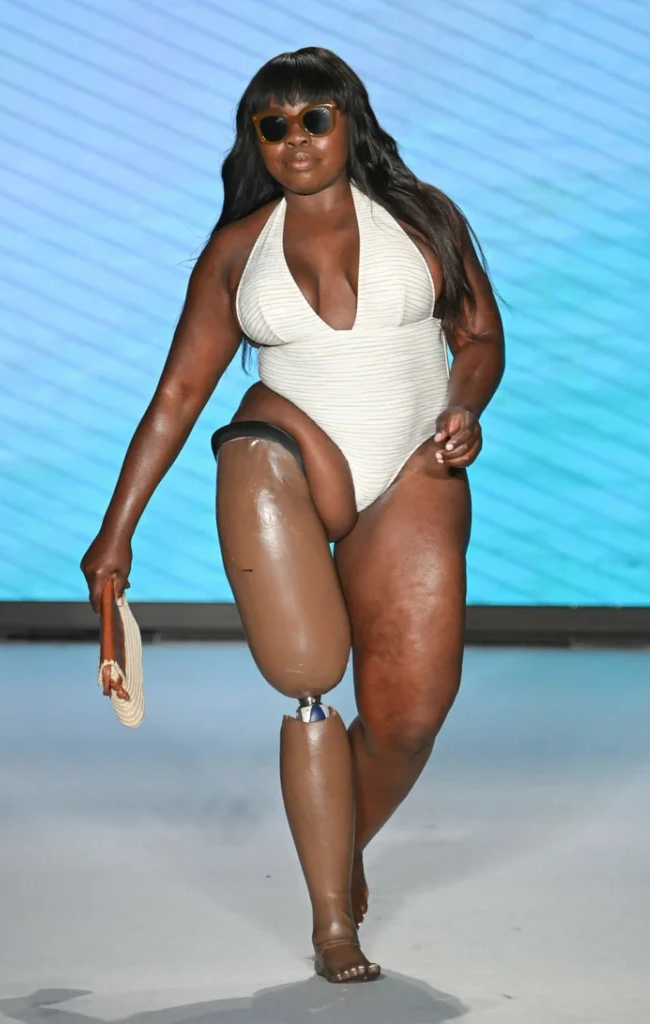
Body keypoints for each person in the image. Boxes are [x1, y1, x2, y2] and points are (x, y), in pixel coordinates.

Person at [81, 46, 504, 984]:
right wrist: (116, 531)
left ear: (350, 121)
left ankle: (341, 847)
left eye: (314, 118)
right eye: (272, 126)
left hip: (412, 467)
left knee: (410, 719)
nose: (295, 140)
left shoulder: (423, 219)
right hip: (283, 454)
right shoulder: (239, 250)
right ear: (255, 141)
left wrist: (465, 406)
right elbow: (179, 394)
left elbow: (477, 337)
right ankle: (330, 921)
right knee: (311, 681)